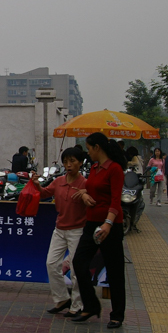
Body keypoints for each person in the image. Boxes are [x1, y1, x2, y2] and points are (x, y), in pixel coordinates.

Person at [71, 132, 126, 329]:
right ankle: (91, 306)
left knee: (114, 269)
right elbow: (91, 188)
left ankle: (117, 314)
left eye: (88, 148)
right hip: (91, 223)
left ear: (97, 148)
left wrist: (108, 224)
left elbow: (115, 199)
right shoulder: (94, 168)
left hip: (110, 226)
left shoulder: (115, 169)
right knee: (78, 262)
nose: (87, 152)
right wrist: (85, 195)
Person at [32, 147, 87, 318]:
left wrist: (86, 194)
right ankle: (62, 298)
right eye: (65, 161)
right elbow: (44, 194)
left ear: (80, 163)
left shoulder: (85, 184)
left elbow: (95, 202)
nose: (68, 165)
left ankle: (77, 305)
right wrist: (37, 185)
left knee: (76, 269)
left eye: (73, 161)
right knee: (51, 264)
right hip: (60, 229)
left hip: (78, 231)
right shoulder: (59, 181)